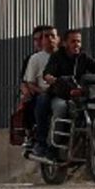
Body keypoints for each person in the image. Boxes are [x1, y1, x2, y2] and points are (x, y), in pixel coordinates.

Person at [35, 29, 95, 159]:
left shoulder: (83, 57)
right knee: (61, 108)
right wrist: (49, 77)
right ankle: (52, 146)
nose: (77, 44)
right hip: (61, 94)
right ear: (65, 43)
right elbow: (48, 71)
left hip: (79, 94)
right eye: (73, 41)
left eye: (79, 41)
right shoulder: (57, 56)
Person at [22, 26, 59, 159]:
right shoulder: (34, 59)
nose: (48, 40)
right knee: (39, 101)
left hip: (62, 93)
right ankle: (39, 141)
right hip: (42, 94)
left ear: (58, 39)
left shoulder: (65, 56)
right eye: (44, 37)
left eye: (52, 36)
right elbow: (27, 82)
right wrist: (37, 91)